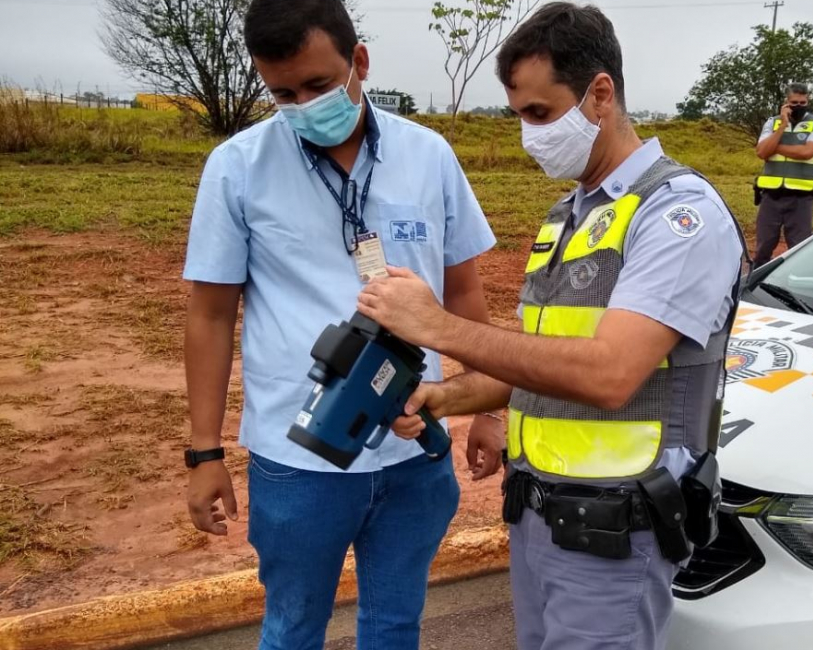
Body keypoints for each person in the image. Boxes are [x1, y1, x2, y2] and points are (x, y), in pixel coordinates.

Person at [353, 4, 747, 649]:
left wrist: (437, 326)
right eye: (518, 116)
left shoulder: (677, 216)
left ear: (599, 94)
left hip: (618, 527)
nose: (527, 134)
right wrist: (448, 397)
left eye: (539, 113)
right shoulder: (572, 214)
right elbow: (540, 362)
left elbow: (609, 373)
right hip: (539, 512)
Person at [180, 1, 502, 648]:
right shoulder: (238, 167)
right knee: (293, 627)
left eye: (319, 86)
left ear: (359, 62)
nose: (302, 105)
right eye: (283, 93)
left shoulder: (428, 155)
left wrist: (487, 408)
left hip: (414, 445)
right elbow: (210, 316)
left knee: (394, 623)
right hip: (297, 458)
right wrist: (205, 452)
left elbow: (462, 289)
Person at [752, 82, 813, 265]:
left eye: (803, 103)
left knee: (799, 248)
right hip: (771, 196)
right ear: (786, 102)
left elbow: (806, 153)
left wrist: (774, 147)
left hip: (801, 197)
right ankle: (756, 284)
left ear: (808, 101)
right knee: (763, 246)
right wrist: (783, 125)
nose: (799, 107)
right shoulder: (773, 122)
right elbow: (762, 153)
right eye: (794, 103)